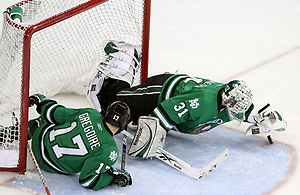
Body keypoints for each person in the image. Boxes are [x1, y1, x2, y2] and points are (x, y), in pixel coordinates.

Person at [87, 40, 287, 158]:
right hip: (161, 92)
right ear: (226, 99)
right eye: (234, 108)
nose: (236, 113)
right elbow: (166, 112)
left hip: (176, 92)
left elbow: (248, 109)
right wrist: (149, 138)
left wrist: (265, 117)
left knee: (127, 115)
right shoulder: (202, 103)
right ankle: (125, 55)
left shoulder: (231, 101)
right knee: (113, 103)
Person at [1, 94, 133, 191]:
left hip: (39, 140)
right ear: (123, 125)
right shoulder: (110, 150)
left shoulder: (91, 114)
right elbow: (88, 180)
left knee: (41, 122)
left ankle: (7, 133)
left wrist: (43, 102)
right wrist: (111, 177)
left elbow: (56, 113)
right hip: (50, 165)